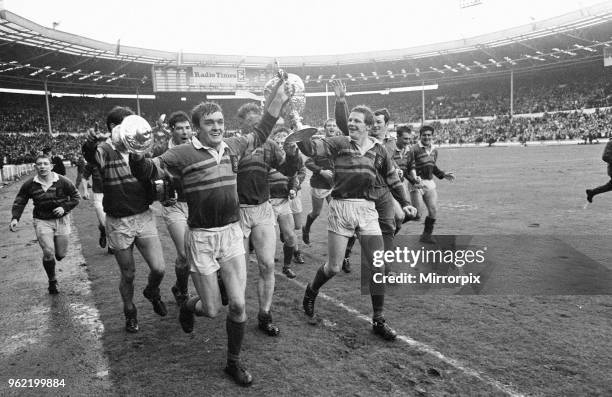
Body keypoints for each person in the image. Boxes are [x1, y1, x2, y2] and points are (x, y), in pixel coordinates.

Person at [129, 77, 291, 387]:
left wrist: (278, 97)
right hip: (201, 237)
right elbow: (150, 171)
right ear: (197, 127)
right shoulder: (181, 155)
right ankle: (190, 306)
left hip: (231, 233)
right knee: (214, 309)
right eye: (209, 122)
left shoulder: (234, 145)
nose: (216, 126)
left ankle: (233, 362)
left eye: (219, 121)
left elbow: (262, 130)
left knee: (239, 305)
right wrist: (137, 156)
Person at [297, 103, 416, 341]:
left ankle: (379, 319)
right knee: (334, 267)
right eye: (350, 120)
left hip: (367, 209)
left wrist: (404, 202)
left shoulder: (379, 150)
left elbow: (392, 178)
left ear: (369, 126)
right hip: (341, 208)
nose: (351, 124)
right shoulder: (339, 143)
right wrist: (301, 134)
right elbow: (312, 148)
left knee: (378, 266)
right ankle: (311, 291)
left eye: (357, 121)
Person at [82, 107, 167, 334]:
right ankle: (130, 312)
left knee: (159, 269)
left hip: (143, 216)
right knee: (128, 274)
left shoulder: (139, 149)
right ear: (113, 128)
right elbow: (91, 155)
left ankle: (152, 291)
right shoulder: (104, 150)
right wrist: (90, 143)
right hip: (119, 222)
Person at [235, 102, 300, 337]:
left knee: (268, 264)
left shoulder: (270, 146)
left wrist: (293, 155)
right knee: (239, 270)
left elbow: (289, 170)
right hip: (237, 212)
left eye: (258, 124)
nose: (255, 128)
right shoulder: (233, 146)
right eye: (250, 124)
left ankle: (264, 314)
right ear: (240, 123)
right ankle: (237, 310)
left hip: (263, 209)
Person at [10, 153, 80, 294]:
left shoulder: (63, 181)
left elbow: (76, 197)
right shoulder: (30, 184)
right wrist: (15, 218)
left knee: (60, 254)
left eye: (45, 164)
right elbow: (20, 200)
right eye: (39, 164)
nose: (42, 167)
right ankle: (52, 281)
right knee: (48, 252)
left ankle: (58, 255)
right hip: (42, 220)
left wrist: (64, 208)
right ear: (35, 166)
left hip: (61, 220)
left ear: (51, 166)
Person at [160, 111, 194, 306]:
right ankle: (183, 289)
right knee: (184, 253)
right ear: (172, 130)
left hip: (196, 204)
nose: (185, 131)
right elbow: (150, 174)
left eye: (187, 127)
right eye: (180, 128)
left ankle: (178, 286)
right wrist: (161, 195)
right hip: (174, 206)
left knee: (197, 253)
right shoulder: (162, 149)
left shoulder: (198, 147)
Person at [268, 127, 306, 280]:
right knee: (268, 240)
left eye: (284, 139)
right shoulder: (268, 156)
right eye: (278, 138)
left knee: (290, 236)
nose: (281, 141)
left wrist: (293, 189)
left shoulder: (290, 159)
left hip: (283, 202)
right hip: (268, 204)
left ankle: (287, 267)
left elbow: (293, 177)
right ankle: (267, 265)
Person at [407, 125, 455, 244]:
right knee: (417, 214)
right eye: (424, 135)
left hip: (429, 182)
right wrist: (414, 179)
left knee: (433, 210)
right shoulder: (413, 149)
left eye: (429, 135)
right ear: (420, 136)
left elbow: (432, 166)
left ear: (432, 136)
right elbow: (407, 167)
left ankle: (426, 236)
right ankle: (393, 221)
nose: (427, 137)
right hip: (416, 183)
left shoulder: (434, 150)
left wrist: (443, 175)